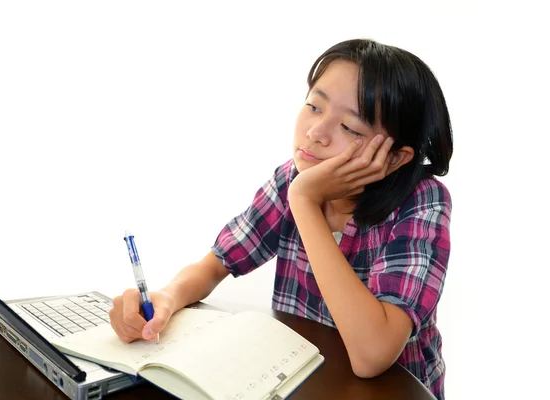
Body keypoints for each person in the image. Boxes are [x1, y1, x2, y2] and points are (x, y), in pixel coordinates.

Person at [108, 38, 453, 400]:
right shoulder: (292, 179)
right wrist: (166, 297)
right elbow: (216, 264)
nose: (316, 133)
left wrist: (305, 201)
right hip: (302, 382)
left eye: (350, 128)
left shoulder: (421, 204)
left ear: (395, 158)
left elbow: (371, 355)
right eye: (314, 106)